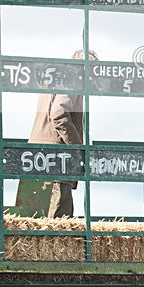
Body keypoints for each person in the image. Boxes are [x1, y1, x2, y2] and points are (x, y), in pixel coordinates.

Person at [27, 49, 98, 217]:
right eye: (92, 69)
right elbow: (59, 114)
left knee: (33, 218)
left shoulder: (55, 80)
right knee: (58, 219)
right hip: (57, 158)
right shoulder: (72, 82)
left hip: (35, 157)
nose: (93, 76)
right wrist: (78, 148)